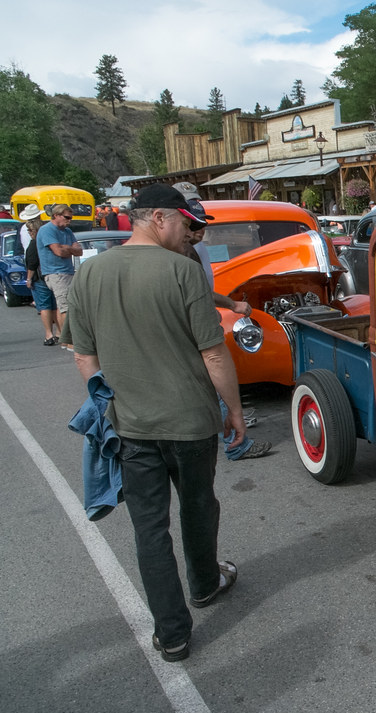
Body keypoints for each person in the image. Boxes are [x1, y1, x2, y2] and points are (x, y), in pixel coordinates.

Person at [66, 183, 244, 663]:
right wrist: (236, 412)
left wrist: (111, 404)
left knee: (150, 530)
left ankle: (173, 634)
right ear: (160, 218)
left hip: (130, 426)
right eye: (187, 225)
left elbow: (85, 355)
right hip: (190, 423)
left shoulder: (90, 274)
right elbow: (213, 352)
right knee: (198, 507)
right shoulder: (183, 272)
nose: (192, 235)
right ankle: (205, 585)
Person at [171, 184, 272, 461]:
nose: (199, 227)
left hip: (201, 316)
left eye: (201, 220)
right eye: (192, 221)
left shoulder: (194, 247)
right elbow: (196, 291)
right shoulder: (180, 252)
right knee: (214, 373)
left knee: (211, 380)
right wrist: (230, 305)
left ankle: (228, 425)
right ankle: (235, 441)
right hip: (194, 323)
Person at [36, 203, 82, 338]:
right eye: (67, 217)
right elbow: (58, 252)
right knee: (65, 308)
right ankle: (68, 339)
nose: (69, 221)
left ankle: (63, 335)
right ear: (56, 215)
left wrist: (67, 248)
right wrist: (68, 249)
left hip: (67, 271)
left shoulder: (67, 231)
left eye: (70, 218)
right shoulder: (47, 230)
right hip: (55, 273)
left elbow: (79, 251)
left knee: (65, 306)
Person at [23, 212, 60, 345]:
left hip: (40, 278)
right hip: (52, 275)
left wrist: (28, 279)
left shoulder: (34, 244)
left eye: (30, 230)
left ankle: (48, 334)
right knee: (55, 306)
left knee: (44, 307)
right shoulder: (50, 240)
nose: (28, 232)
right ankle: (59, 332)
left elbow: (32, 264)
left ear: (35, 230)